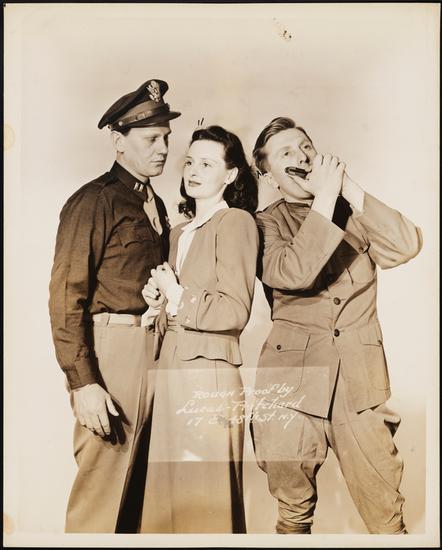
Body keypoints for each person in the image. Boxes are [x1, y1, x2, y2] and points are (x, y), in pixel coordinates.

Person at [250, 117, 423, 534]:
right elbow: (292, 273)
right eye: (286, 152)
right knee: (293, 514)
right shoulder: (263, 224)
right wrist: (326, 197)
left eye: (306, 146)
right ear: (268, 176)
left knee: (386, 515)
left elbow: (405, 245)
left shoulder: (353, 212)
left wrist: (347, 187)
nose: (302, 155)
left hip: (359, 382)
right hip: (290, 385)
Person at [48, 79, 181, 533]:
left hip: (156, 347)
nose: (163, 149)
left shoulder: (152, 201)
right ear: (118, 141)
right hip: (112, 355)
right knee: (101, 496)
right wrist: (84, 383)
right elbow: (66, 296)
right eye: (151, 139)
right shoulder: (95, 200)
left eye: (166, 138)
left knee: (143, 498)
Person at [141, 125, 259, 533]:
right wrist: (158, 304)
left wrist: (177, 294)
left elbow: (235, 311)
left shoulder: (237, 222)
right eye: (190, 161)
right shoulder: (179, 232)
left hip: (209, 375)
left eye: (207, 164)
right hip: (171, 371)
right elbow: (178, 310)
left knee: (207, 501)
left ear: (231, 174)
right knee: (169, 499)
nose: (193, 171)